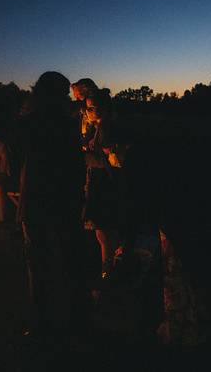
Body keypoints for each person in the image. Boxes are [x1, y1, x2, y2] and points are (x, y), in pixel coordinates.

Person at [16, 71, 88, 340]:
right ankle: (74, 320)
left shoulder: (30, 123)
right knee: (68, 261)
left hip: (39, 202)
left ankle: (42, 323)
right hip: (60, 202)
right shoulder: (63, 124)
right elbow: (75, 166)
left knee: (39, 264)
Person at [82, 89, 127, 281]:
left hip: (105, 184)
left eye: (93, 108)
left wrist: (84, 155)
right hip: (101, 181)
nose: (89, 111)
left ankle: (108, 273)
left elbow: (110, 160)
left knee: (104, 232)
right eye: (87, 108)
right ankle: (112, 269)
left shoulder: (107, 128)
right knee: (105, 232)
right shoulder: (99, 127)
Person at [71, 78, 99, 148]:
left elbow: (96, 123)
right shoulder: (83, 106)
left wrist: (92, 139)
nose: (77, 99)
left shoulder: (92, 102)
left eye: (78, 95)